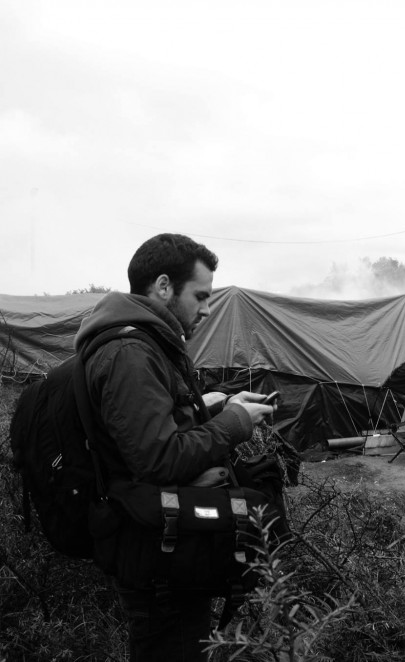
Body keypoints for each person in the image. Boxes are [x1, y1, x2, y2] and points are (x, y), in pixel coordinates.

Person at [76, 234, 275, 660]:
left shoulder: (144, 344)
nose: (206, 309)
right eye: (200, 296)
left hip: (166, 540)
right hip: (155, 551)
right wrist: (235, 424)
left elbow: (149, 426)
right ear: (163, 286)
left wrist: (215, 405)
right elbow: (158, 458)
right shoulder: (130, 351)